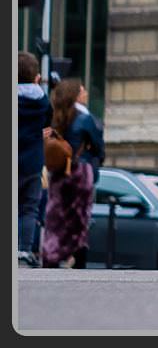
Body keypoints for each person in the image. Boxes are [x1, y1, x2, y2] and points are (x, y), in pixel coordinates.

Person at [38, 77, 103, 268]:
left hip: (58, 173)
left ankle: (51, 254)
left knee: (56, 216)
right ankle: (77, 257)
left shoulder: (57, 117)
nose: (86, 93)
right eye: (82, 91)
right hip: (79, 172)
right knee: (79, 217)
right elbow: (98, 147)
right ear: (74, 95)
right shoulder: (85, 118)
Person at [18, 52, 49, 261]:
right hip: (32, 162)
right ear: (36, 76)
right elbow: (47, 126)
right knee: (29, 208)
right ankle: (24, 249)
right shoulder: (43, 101)